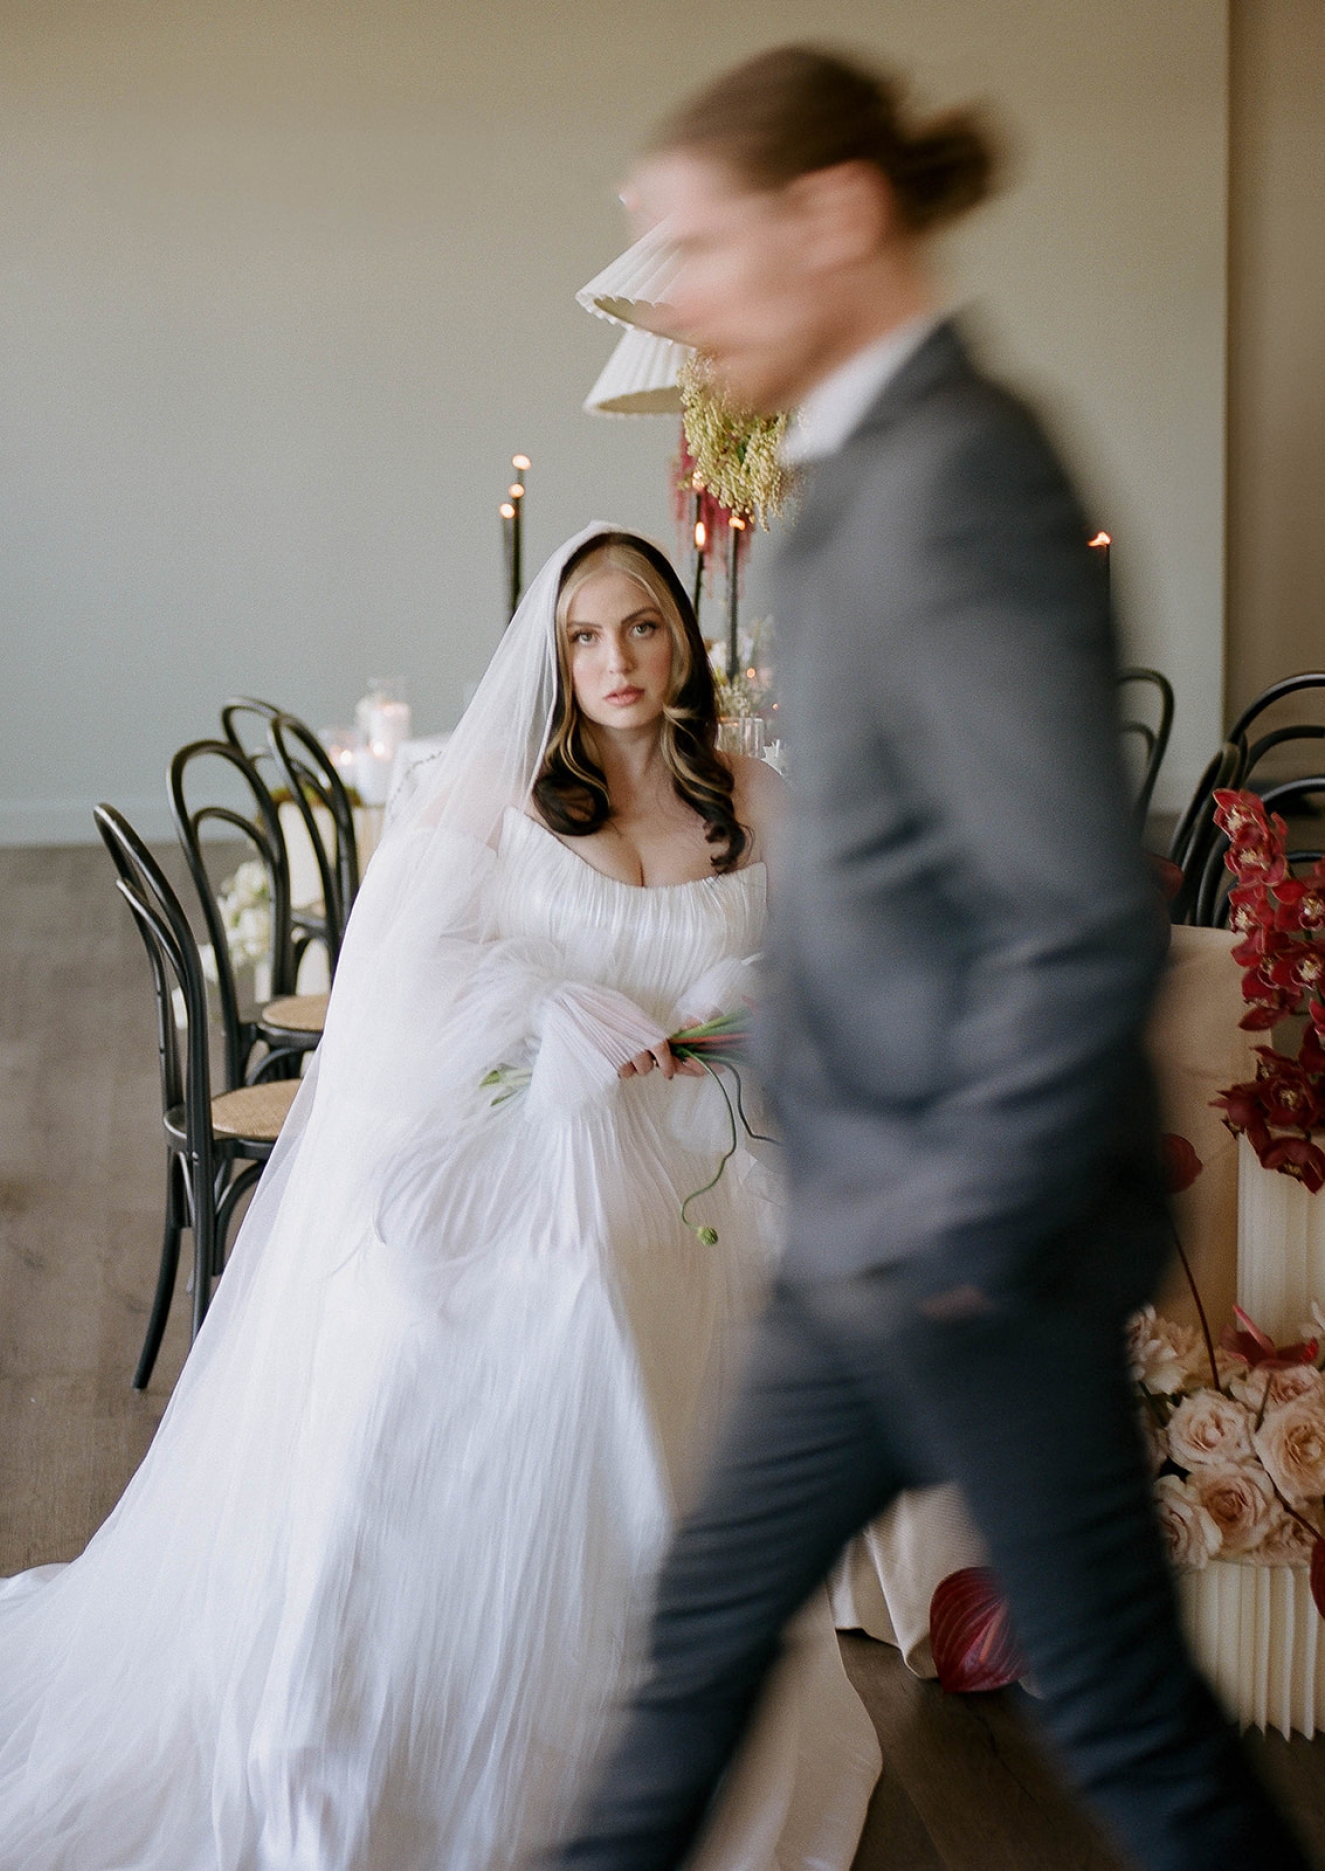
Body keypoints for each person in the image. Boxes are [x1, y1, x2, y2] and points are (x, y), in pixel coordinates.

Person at [551, 48, 1315, 1871]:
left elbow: (1070, 908)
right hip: (893, 1223)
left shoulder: (960, 472)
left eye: (706, 244)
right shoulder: (865, 468)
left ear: (836, 218)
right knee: (707, 1650)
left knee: (1124, 1723)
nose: (686, 294)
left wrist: (949, 1234)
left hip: (975, 1248)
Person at [0, 526, 879, 1870]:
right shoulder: (492, 791)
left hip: (707, 1158)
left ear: (685, 640)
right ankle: (424, 1715)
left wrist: (744, 1001)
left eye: (645, 628)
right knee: (536, 1302)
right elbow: (392, 991)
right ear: (551, 655)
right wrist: (547, 1006)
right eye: (585, 637)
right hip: (517, 1144)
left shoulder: (752, 793)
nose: (618, 660)